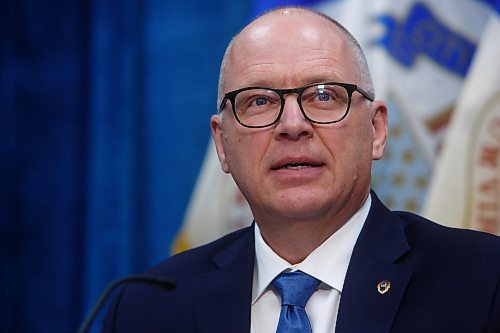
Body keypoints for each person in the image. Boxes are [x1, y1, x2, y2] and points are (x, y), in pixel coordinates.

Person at [103, 7, 500, 333]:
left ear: (376, 130)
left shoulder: (483, 281)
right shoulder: (147, 307)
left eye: (324, 96)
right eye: (258, 101)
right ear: (223, 144)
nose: (292, 125)